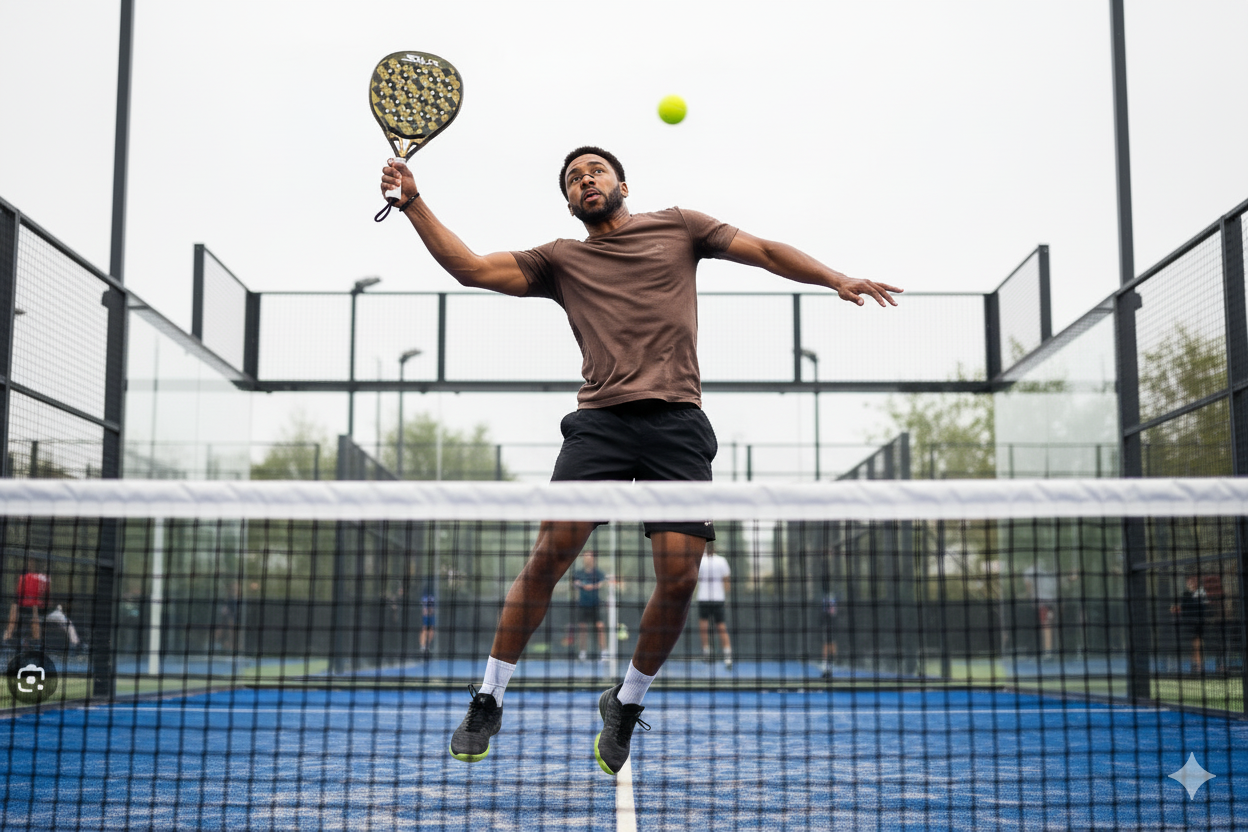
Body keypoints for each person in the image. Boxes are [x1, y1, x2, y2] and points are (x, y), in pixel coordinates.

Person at [379, 146, 901, 776]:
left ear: (621, 183)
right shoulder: (560, 260)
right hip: (598, 425)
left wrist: (834, 278)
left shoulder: (681, 226)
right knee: (550, 555)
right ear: (570, 202)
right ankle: (489, 697)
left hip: (676, 422)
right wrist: (412, 202)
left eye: (594, 171)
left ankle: (624, 704)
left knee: (681, 575)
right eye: (573, 180)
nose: (584, 181)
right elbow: (470, 267)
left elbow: (763, 251)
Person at [696, 545, 732, 669]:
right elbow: (726, 580)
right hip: (718, 600)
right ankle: (727, 657)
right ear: (715, 548)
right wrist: (726, 597)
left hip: (703, 599)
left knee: (704, 626)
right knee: (721, 626)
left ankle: (707, 653)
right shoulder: (722, 561)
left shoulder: (700, 561)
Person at [4, 558, 49, 647]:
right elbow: (18, 592)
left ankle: (37, 640)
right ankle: (7, 638)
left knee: (35, 612)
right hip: (21, 604)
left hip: (35, 606)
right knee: (14, 608)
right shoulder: (23, 574)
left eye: (32, 562)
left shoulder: (40, 576)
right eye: (29, 562)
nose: (30, 564)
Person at [572, 551, 609, 662]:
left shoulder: (598, 573)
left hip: (595, 605)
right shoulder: (579, 573)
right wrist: (582, 585)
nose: (588, 559)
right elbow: (575, 583)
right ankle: (582, 653)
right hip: (583, 605)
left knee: (600, 627)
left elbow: (602, 583)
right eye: (586, 557)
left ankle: (604, 653)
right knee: (582, 628)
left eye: (590, 557)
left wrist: (592, 586)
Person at [1170, 574, 1208, 675]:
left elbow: (1201, 607)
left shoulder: (1201, 593)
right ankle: (1194, 667)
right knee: (1193, 647)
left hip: (1198, 625)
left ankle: (1199, 667)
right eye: (1189, 582)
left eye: (1193, 581)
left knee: (1197, 646)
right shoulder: (1186, 595)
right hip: (1188, 625)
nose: (1191, 583)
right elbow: (1181, 608)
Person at [820, 592, 839, 678]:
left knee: (832, 649)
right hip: (826, 629)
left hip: (832, 629)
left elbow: (834, 615)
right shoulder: (825, 608)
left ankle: (829, 669)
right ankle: (825, 670)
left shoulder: (833, 608)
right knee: (826, 649)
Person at [420, 584, 436, 661]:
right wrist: (426, 611)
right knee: (424, 628)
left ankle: (427, 645)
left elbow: (432, 608)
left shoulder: (433, 595)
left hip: (431, 616)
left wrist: (431, 611)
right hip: (426, 616)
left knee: (431, 630)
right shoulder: (424, 596)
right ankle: (422, 646)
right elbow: (424, 609)